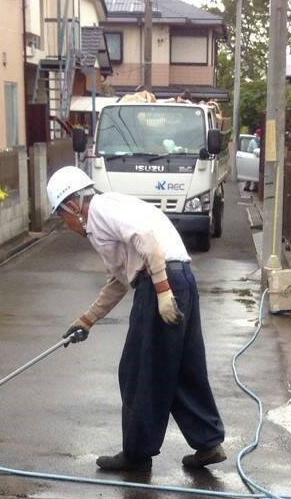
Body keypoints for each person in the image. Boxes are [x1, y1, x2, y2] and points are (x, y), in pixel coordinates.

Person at [46, 166, 226, 472]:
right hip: (180, 277)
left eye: (61, 216)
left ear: (72, 206)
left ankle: (137, 452)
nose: (65, 225)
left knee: (139, 370)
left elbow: (148, 243)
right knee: (182, 366)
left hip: (162, 280)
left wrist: (163, 292)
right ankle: (208, 443)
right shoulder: (109, 211)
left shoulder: (100, 210)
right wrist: (87, 320)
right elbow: (119, 280)